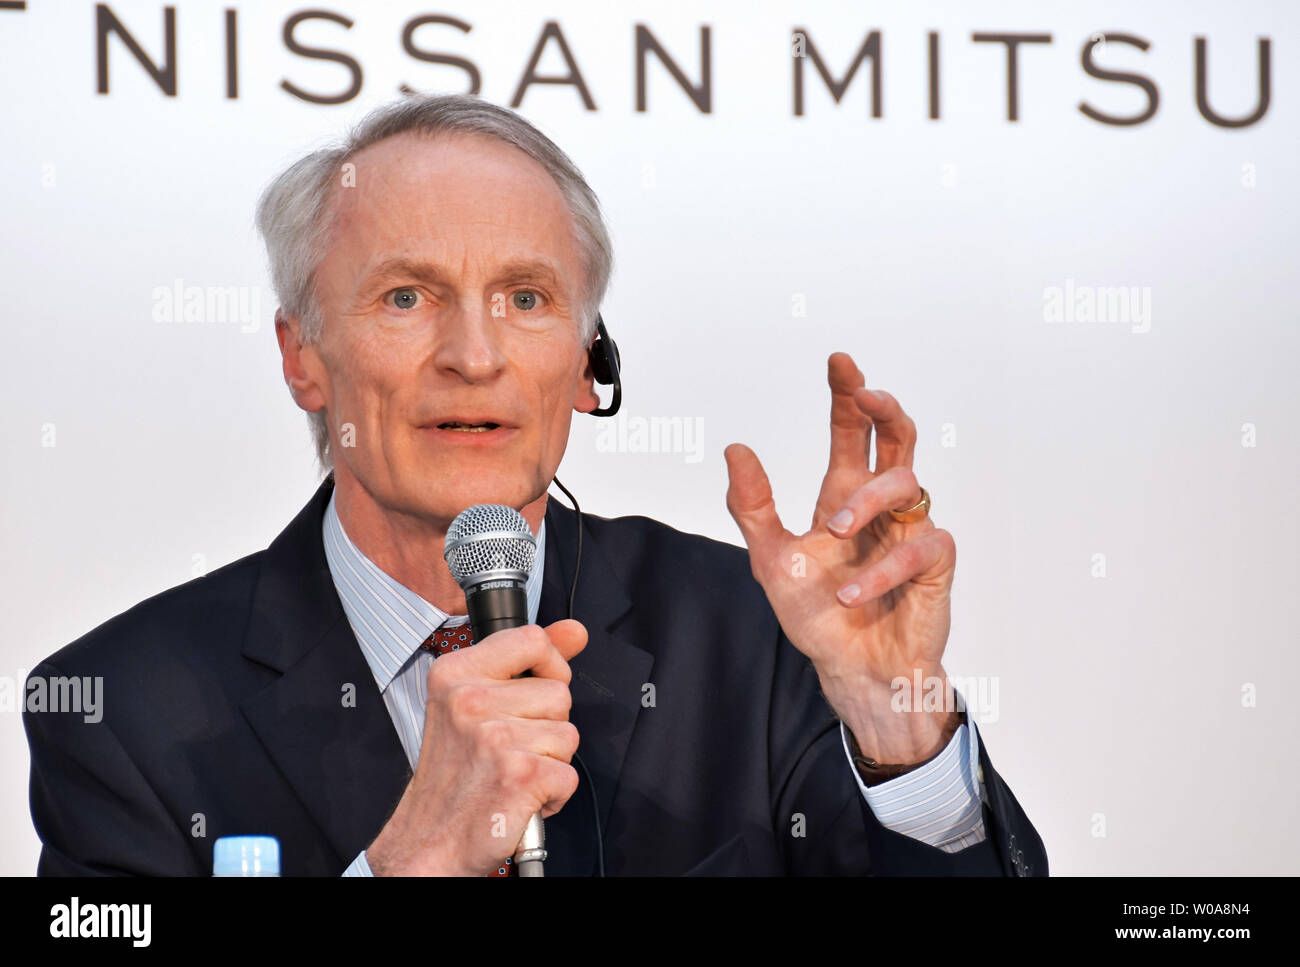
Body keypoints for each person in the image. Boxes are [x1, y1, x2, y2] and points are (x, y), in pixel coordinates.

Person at [23, 93, 1047, 876]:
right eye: (407, 295)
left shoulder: (753, 635)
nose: (475, 355)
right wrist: (405, 865)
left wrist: (893, 718)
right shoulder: (120, 710)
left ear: (585, 356)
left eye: (525, 297)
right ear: (304, 356)